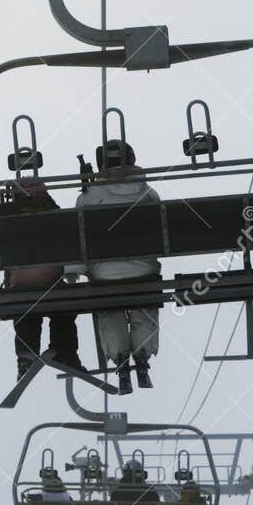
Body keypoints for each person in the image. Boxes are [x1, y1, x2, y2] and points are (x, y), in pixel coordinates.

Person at [71, 139, 160, 393]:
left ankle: (120, 357)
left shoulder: (87, 197)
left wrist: (73, 272)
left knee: (110, 311)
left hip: (104, 274)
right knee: (144, 308)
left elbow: (76, 238)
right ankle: (142, 355)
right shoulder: (148, 193)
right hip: (144, 270)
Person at [0, 176, 83, 380]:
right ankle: (65, 351)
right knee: (64, 308)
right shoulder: (56, 214)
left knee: (25, 309)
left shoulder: (5, 218)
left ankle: (26, 355)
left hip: (21, 286)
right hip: (52, 282)